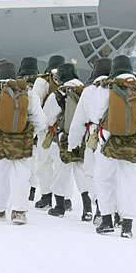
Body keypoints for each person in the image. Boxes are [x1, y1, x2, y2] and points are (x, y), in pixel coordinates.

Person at [69, 55, 136, 239]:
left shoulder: (102, 89)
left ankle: (106, 220)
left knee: (104, 179)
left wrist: (74, 143)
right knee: (128, 181)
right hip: (132, 142)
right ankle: (127, 224)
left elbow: (93, 115)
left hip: (106, 141)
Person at [0, 60, 47, 225]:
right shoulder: (28, 94)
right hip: (22, 142)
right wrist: (28, 133)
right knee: (21, 176)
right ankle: (19, 212)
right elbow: (41, 121)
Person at [68, 58, 112, 225]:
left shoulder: (90, 91)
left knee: (94, 174)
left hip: (96, 137)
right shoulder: (120, 88)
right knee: (116, 176)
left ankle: (101, 209)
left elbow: (79, 120)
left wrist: (73, 144)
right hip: (119, 137)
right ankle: (120, 215)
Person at [43, 63, 90, 219]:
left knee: (61, 172)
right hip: (84, 138)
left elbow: (47, 119)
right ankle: (88, 208)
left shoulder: (57, 94)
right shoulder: (87, 92)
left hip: (63, 138)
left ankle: (59, 206)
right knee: (82, 171)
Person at [31, 55, 65, 209]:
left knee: (44, 163)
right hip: (63, 131)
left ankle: (46, 197)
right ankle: (65, 199)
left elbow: (36, 104)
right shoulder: (70, 80)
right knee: (61, 165)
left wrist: (37, 126)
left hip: (46, 130)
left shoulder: (43, 81)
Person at [17, 57, 41, 201]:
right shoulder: (40, 84)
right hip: (33, 131)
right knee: (34, 163)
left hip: (17, 131)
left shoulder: (17, 84)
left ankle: (20, 190)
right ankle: (31, 190)